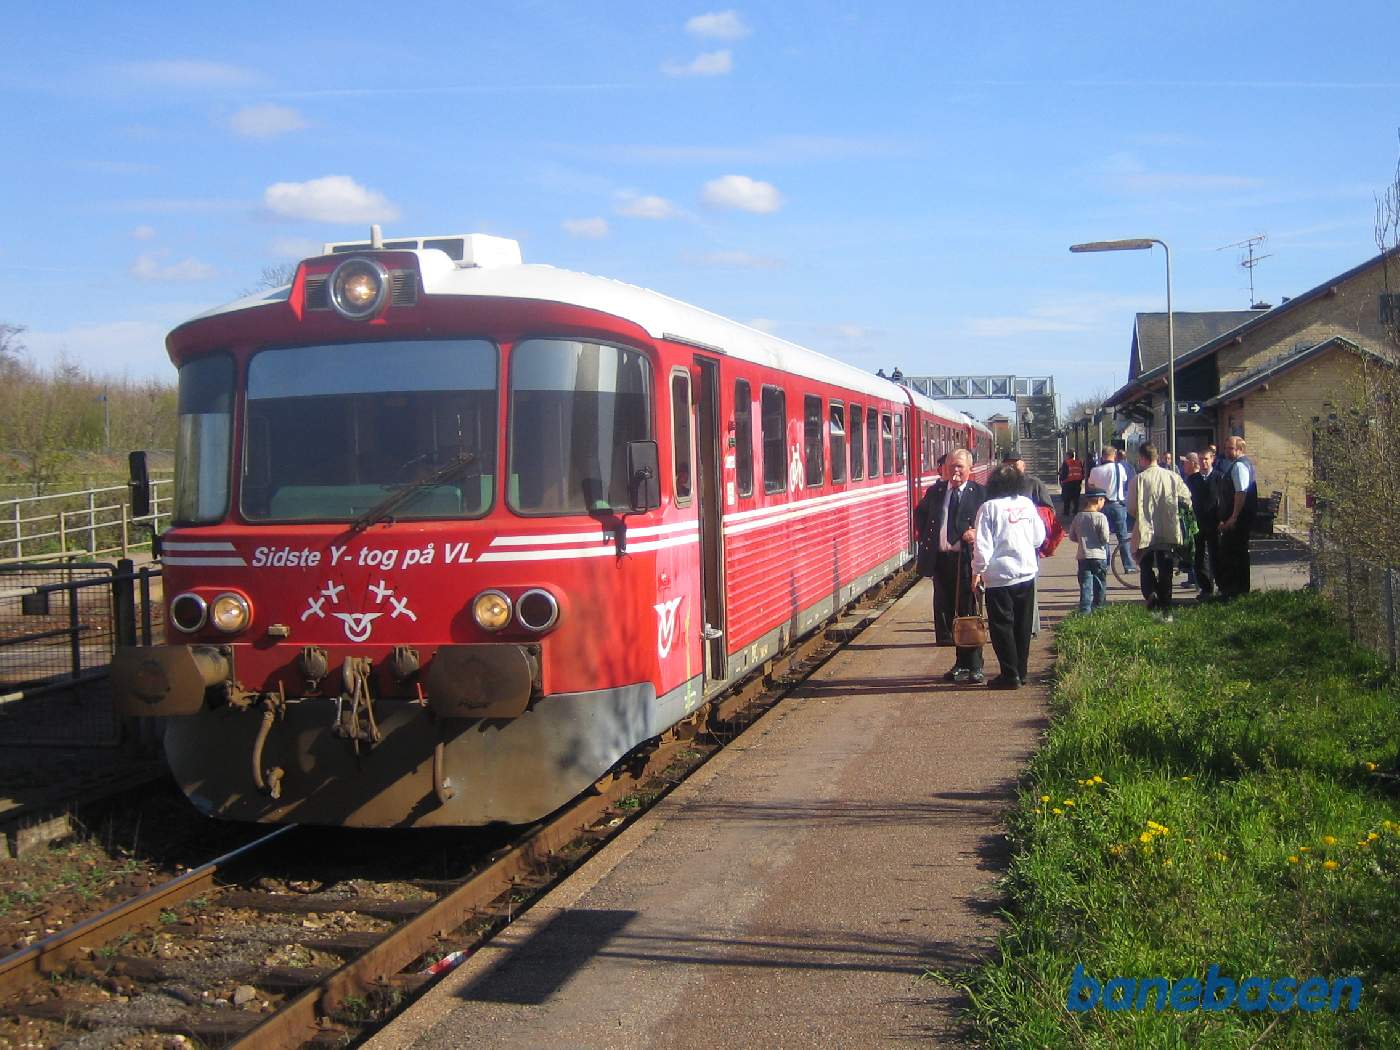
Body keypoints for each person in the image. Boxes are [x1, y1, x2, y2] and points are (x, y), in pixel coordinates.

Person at [913, 448, 986, 683]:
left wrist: (977, 532)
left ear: (969, 469)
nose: (955, 471)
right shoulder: (936, 491)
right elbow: (921, 514)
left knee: (968, 612)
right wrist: (927, 538)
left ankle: (974, 665)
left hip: (966, 561)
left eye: (960, 467)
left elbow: (989, 524)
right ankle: (960, 662)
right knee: (948, 614)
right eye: (951, 466)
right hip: (942, 561)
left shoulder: (979, 494)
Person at [972, 464, 1046, 689]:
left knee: (1002, 626)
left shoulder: (988, 508)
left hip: (1000, 575)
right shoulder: (1026, 504)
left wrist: (977, 571)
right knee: (1022, 626)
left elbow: (982, 546)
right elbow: (1038, 537)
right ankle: (1021, 672)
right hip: (1026, 571)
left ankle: (1009, 674)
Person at [1127, 442, 1191, 619]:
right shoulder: (1172, 476)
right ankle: (1165, 600)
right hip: (1168, 527)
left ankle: (1150, 593)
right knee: (1166, 565)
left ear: (1143, 458)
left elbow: (1132, 507)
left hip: (1145, 528)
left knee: (1145, 563)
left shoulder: (1138, 480)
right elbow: (1186, 498)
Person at [1216, 435, 1258, 598]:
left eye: (1231, 448)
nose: (1227, 451)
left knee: (1233, 553)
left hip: (1238, 519)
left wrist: (1233, 516)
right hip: (1238, 517)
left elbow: (1240, 492)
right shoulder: (1240, 464)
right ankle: (1237, 589)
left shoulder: (1240, 466)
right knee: (1236, 552)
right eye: (1226, 447)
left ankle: (1235, 590)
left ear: (1240, 449)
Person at [1087, 446, 1136, 573]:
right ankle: (1128, 565)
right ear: (1113, 455)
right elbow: (1125, 480)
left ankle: (1105, 565)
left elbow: (1090, 484)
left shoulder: (1095, 470)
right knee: (1123, 536)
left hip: (1101, 506)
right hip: (1117, 505)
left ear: (1102, 456)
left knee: (1103, 536)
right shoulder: (1119, 468)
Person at [1069, 487, 1111, 614]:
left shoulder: (1079, 517)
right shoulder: (1101, 517)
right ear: (1099, 500)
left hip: (1083, 556)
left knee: (1085, 585)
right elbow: (1105, 538)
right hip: (1099, 555)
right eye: (1103, 500)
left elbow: (1072, 536)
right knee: (1099, 583)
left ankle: (1084, 610)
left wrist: (1082, 541)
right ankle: (1099, 608)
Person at [1188, 446, 1221, 600]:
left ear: (1212, 459)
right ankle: (1206, 588)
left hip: (1215, 523)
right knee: (1199, 557)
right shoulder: (1193, 479)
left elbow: (1224, 500)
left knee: (1216, 555)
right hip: (1198, 523)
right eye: (1201, 460)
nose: (1203, 462)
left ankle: (1221, 587)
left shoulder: (1219, 478)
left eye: (1206, 459)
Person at [1059, 450, 1085, 518]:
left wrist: (1061, 479)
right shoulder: (1079, 462)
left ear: (1068, 456)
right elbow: (1081, 472)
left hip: (1068, 483)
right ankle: (1075, 511)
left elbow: (1064, 473)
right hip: (1077, 482)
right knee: (1076, 499)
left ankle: (1066, 512)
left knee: (1067, 499)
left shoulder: (1066, 462)